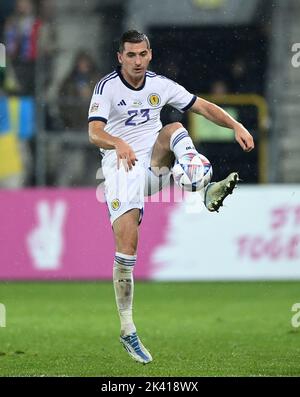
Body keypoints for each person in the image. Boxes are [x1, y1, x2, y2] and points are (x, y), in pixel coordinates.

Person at [88, 30, 254, 364]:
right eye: (130, 55)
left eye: (142, 54)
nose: (137, 61)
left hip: (153, 163)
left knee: (174, 128)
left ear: (150, 54)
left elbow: (201, 106)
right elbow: (94, 132)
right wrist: (117, 142)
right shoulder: (106, 88)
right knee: (127, 250)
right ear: (120, 57)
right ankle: (127, 328)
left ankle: (201, 184)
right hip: (121, 168)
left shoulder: (159, 84)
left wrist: (235, 125)